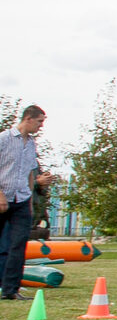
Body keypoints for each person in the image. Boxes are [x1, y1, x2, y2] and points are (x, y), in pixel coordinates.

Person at [0, 106, 56, 301]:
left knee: (18, 245)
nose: (41, 126)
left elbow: (31, 173)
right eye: (40, 121)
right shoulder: (4, 139)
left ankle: (10, 290)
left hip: (22, 200)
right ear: (28, 119)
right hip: (2, 198)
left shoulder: (31, 144)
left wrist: (30, 201)